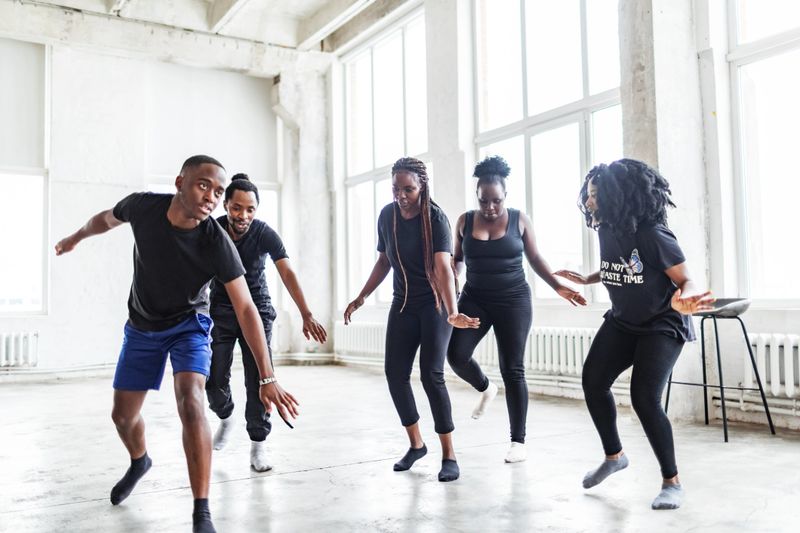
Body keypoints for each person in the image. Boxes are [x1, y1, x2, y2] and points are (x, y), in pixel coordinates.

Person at [54, 155, 299, 533]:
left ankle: (202, 512)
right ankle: (140, 460)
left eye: (218, 192)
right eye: (204, 185)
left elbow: (247, 307)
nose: (211, 197)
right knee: (123, 416)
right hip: (142, 324)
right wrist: (75, 237)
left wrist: (267, 377)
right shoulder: (144, 207)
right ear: (180, 182)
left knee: (191, 398)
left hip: (190, 324)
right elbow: (104, 219)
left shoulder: (215, 241)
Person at [554, 158, 714, 510]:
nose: (589, 201)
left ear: (618, 196)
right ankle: (615, 456)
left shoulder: (653, 234)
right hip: (624, 320)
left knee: (644, 398)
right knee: (593, 381)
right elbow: (624, 265)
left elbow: (686, 278)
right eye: (589, 194)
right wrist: (590, 278)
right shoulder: (606, 227)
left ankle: (672, 481)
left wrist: (687, 298)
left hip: (662, 324)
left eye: (596, 195)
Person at [343, 157, 480, 482]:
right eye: (396, 188)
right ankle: (416, 444)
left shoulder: (435, 219)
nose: (401, 195)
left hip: (434, 307)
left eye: (408, 189)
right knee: (395, 374)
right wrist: (361, 296)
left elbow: (443, 269)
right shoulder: (388, 216)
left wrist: (452, 311)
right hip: (402, 305)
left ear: (422, 187)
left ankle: (449, 454)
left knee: (431, 376)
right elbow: (384, 261)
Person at [447, 156, 587, 464]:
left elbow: (535, 259)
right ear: (477, 196)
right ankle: (485, 388)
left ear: (505, 196)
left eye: (496, 201)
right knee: (455, 355)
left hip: (513, 300)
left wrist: (558, 287)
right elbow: (457, 260)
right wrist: (453, 283)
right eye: (484, 201)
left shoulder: (520, 219)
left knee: (513, 368)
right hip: (475, 298)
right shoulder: (464, 221)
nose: (490, 208)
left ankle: (518, 441)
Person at [206, 173, 326, 471]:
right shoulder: (212, 231)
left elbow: (287, 273)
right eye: (237, 208)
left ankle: (258, 445)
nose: (243, 215)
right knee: (214, 379)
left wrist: (306, 313)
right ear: (226, 204)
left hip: (257, 312)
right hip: (221, 311)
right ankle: (225, 417)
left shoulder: (264, 233)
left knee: (258, 378)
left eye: (250, 209)